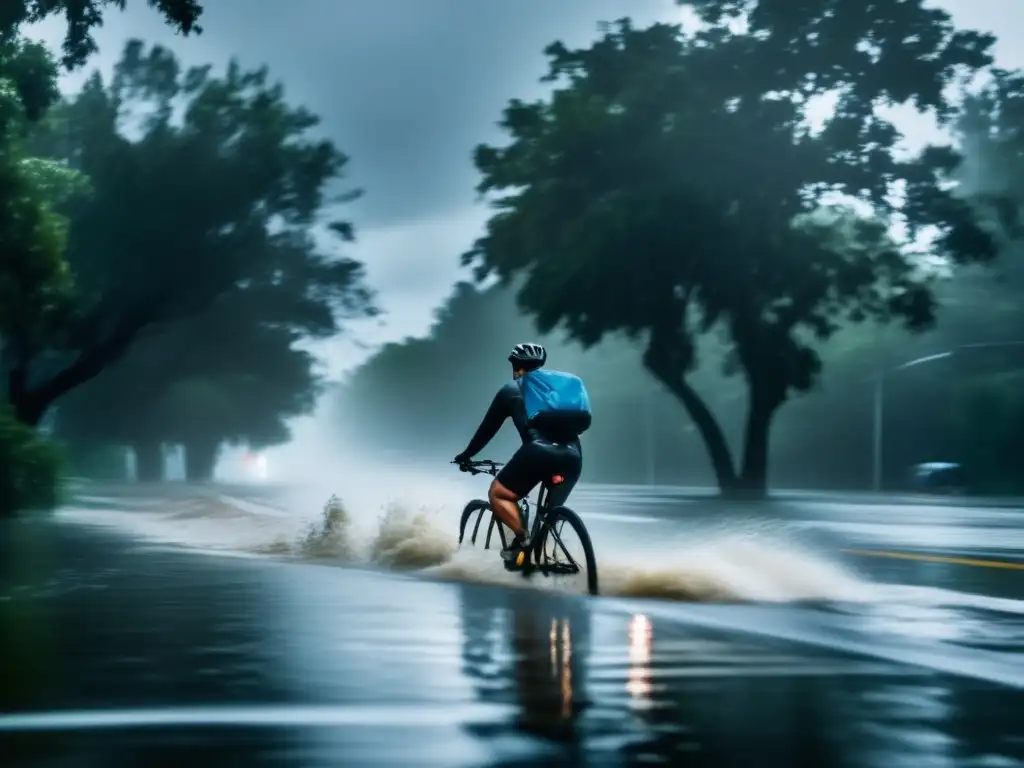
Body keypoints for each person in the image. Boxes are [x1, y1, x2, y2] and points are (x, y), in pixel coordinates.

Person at [453, 342, 584, 570]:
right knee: (547, 516)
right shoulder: (557, 393)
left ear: (515, 366)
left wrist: (466, 455)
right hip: (573, 456)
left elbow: (487, 429)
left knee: (499, 493)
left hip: (538, 453)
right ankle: (541, 551)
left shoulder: (511, 390)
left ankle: (522, 542)